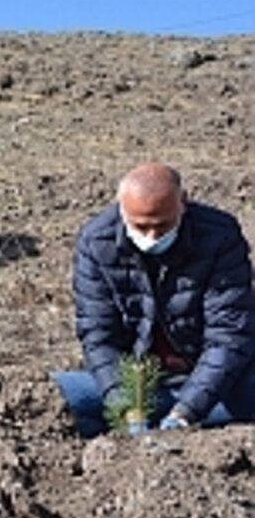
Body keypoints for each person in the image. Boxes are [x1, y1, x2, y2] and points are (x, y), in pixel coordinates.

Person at [54, 162, 255, 437]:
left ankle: (193, 425)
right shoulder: (96, 243)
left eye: (162, 226)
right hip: (138, 384)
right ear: (121, 207)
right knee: (58, 398)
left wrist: (187, 411)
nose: (151, 237)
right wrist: (127, 406)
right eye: (140, 226)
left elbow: (229, 335)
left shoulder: (219, 237)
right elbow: (98, 336)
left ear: (183, 202)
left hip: (212, 380)